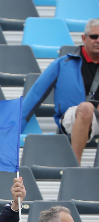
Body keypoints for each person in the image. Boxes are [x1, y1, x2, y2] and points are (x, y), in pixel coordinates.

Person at [22, 19, 99, 162]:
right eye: (94, 36)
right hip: (72, 116)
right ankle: (74, 165)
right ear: (84, 38)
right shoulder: (63, 64)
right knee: (86, 108)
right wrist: (15, 127)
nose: (98, 41)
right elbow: (36, 93)